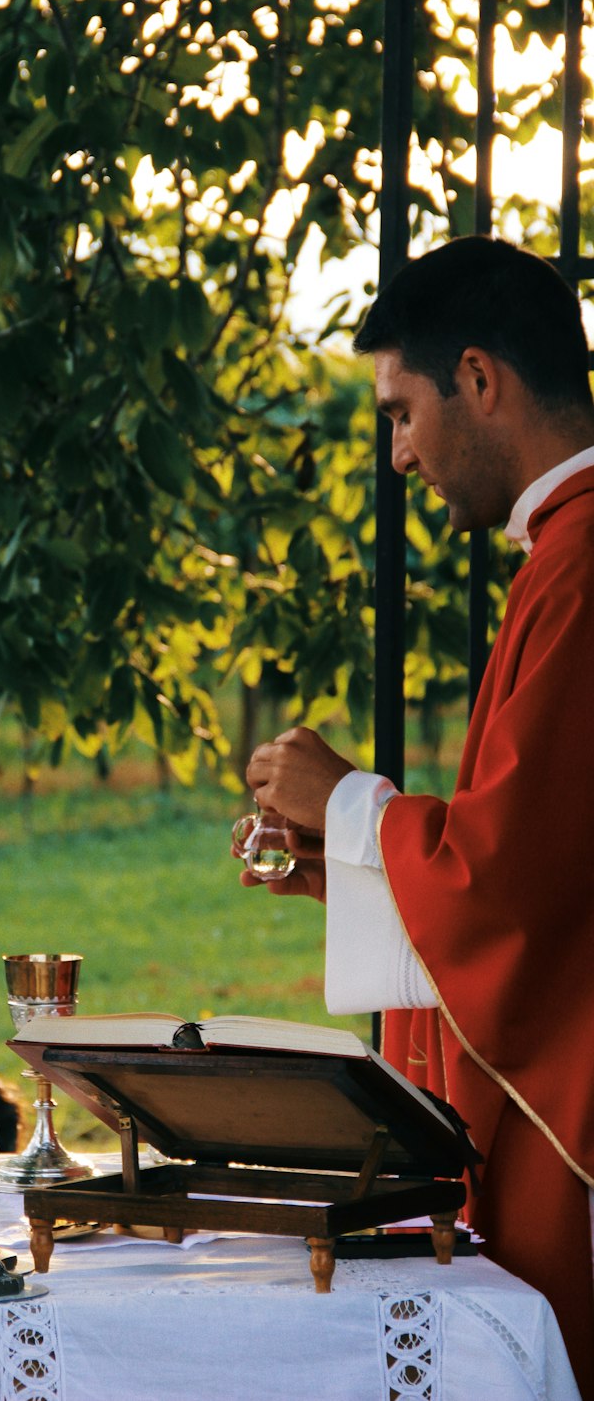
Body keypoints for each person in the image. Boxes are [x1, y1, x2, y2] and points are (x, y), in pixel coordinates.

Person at [241, 236, 594, 1398]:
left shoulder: (583, 564)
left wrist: (347, 797)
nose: (399, 456)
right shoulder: (561, 554)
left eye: (402, 413)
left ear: (480, 382)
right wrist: (349, 862)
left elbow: (510, 883)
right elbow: (549, 847)